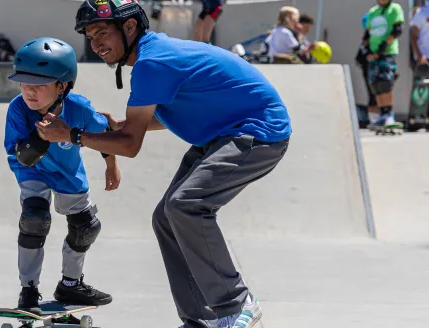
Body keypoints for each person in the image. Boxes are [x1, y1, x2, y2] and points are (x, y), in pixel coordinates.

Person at [38, 1, 292, 327]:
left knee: (186, 205)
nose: (96, 43)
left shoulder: (151, 63)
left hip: (258, 132)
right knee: (166, 217)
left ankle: (236, 302)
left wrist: (72, 134)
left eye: (103, 32)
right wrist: (120, 126)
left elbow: (131, 145)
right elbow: (152, 117)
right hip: (220, 133)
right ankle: (197, 320)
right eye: (90, 35)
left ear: (129, 28)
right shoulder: (151, 56)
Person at [3, 37, 118, 315]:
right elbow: (24, 155)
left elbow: (103, 135)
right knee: (34, 220)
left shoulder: (79, 109)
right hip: (32, 170)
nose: (29, 92)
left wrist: (111, 165)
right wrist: (41, 136)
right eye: (24, 84)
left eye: (38, 85)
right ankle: (28, 288)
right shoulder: (18, 109)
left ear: (62, 85)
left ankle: (70, 284)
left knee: (86, 226)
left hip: (68, 174)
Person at [364, 0, 405, 129]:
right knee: (375, 84)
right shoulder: (373, 11)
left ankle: (389, 114)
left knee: (385, 82)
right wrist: (368, 51)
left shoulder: (395, 9)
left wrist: (382, 48)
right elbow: (367, 33)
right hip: (373, 52)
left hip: (387, 51)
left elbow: (397, 30)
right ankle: (382, 114)